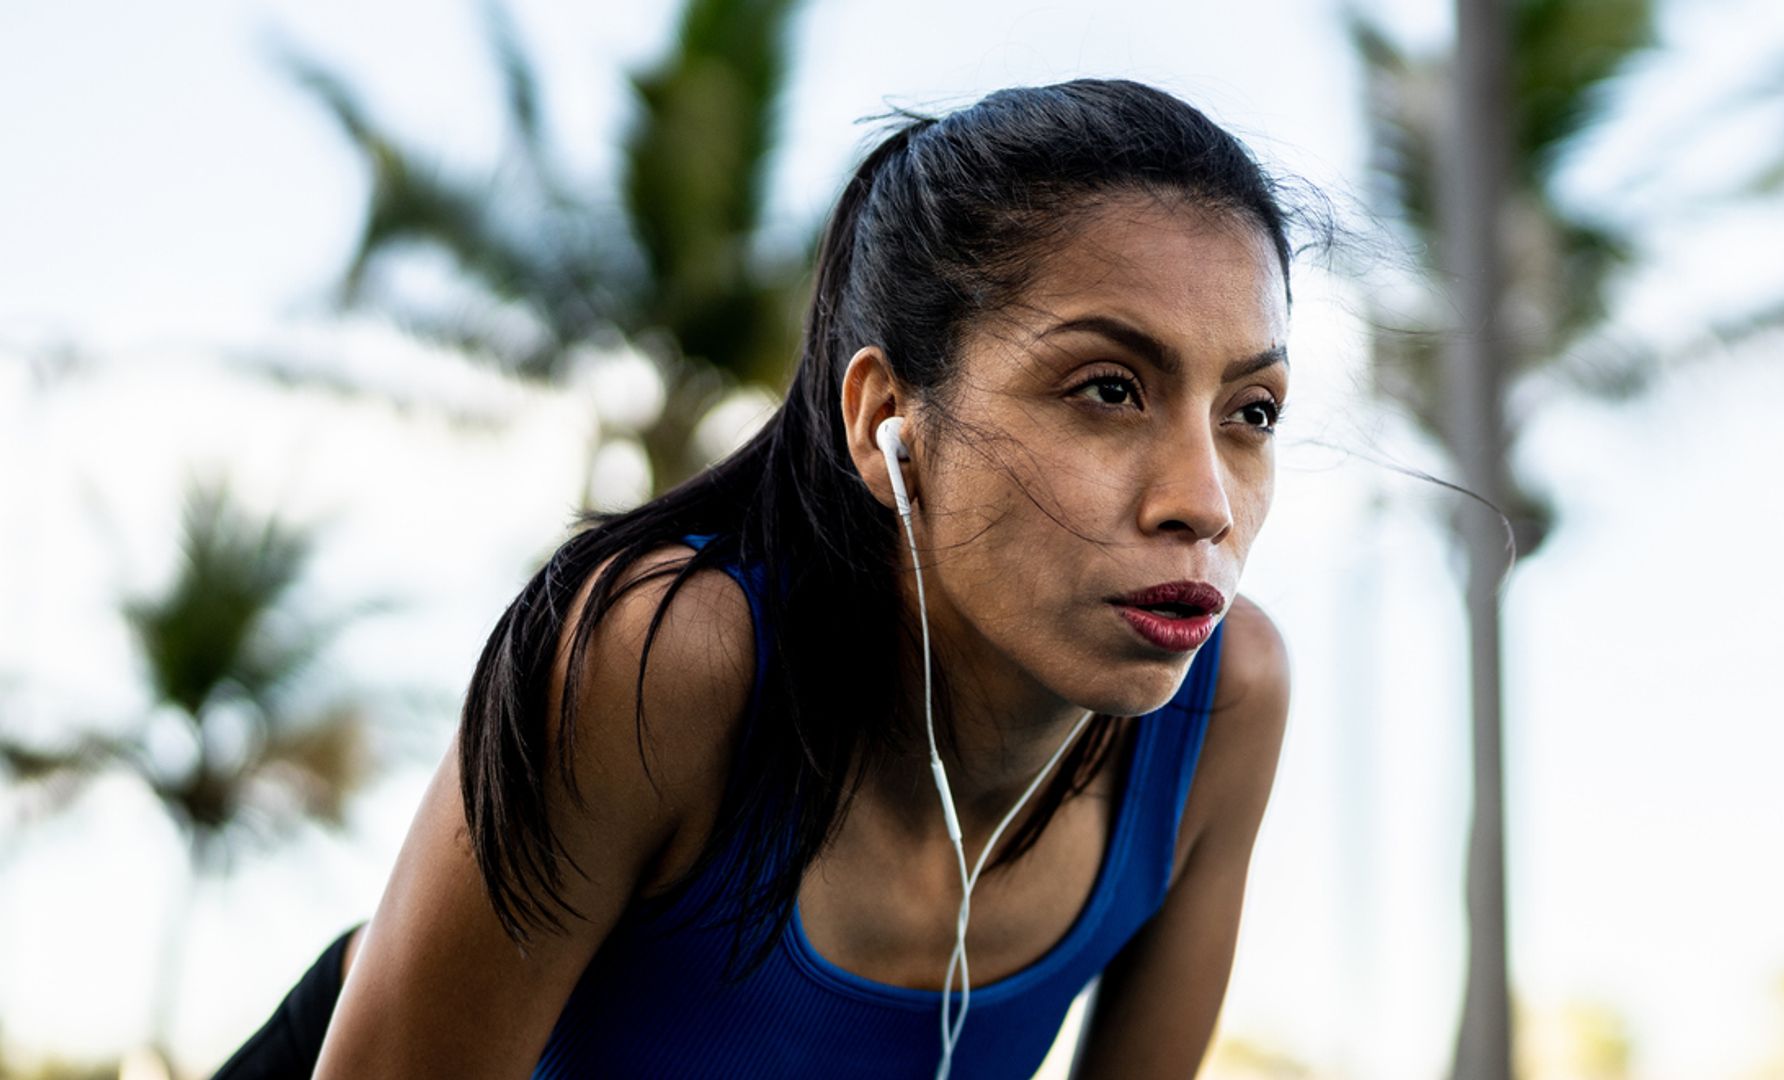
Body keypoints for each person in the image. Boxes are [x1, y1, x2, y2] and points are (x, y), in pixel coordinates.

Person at [218, 76, 1298, 1079]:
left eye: (1250, 413)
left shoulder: (1224, 705)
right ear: (886, 419)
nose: (1203, 501)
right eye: (1108, 390)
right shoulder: (660, 663)